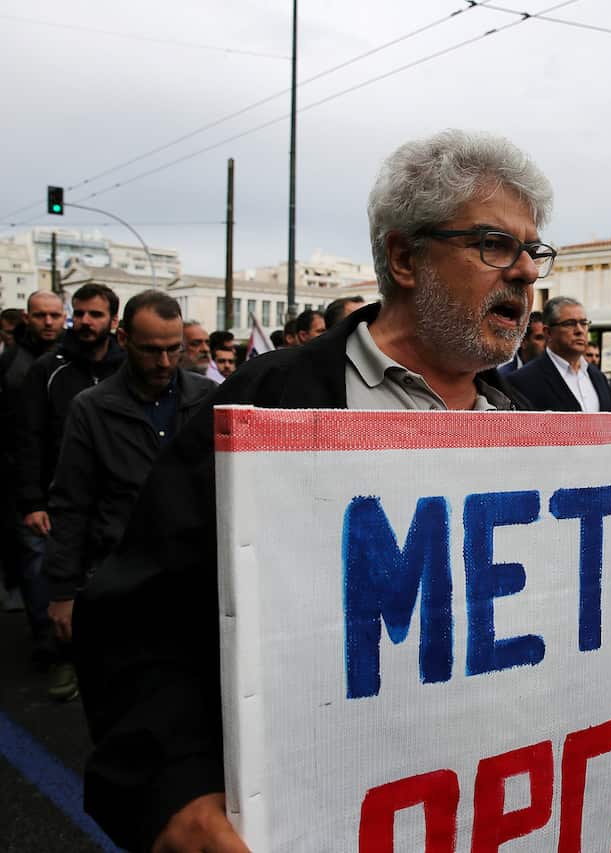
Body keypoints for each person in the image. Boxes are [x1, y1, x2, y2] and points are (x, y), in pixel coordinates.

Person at [76, 129, 553, 852]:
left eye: (532, 250)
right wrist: (178, 791)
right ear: (404, 258)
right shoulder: (269, 402)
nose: (523, 273)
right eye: (494, 245)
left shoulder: (533, 427)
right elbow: (143, 617)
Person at [43, 291, 214, 688]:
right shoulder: (91, 408)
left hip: (192, 584)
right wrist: (63, 591)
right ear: (124, 340)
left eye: (175, 349)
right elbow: (71, 503)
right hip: (120, 582)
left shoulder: (206, 397)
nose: (165, 362)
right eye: (152, 351)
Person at [16, 284, 123, 701]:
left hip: (111, 501)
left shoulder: (126, 368)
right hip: (60, 499)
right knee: (58, 580)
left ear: (114, 321)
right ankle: (62, 654)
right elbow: (28, 438)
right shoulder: (48, 370)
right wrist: (33, 502)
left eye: (95, 314)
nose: (85, 322)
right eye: (79, 313)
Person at [0, 292, 66, 639]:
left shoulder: (69, 360)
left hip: (63, 481)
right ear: (28, 318)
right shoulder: (12, 362)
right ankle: (46, 640)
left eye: (54, 315)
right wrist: (29, 496)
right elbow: (21, 435)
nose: (48, 322)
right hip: (24, 482)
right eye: (41, 315)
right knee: (34, 561)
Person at [509, 296, 611, 412]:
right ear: (548, 332)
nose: (579, 330)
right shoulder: (523, 381)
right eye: (569, 323)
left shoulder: (599, 377)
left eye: (583, 323)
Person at [497, 309, 545, 376]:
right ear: (523, 342)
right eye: (539, 338)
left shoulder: (556, 372)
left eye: (548, 337)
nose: (546, 344)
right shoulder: (504, 376)